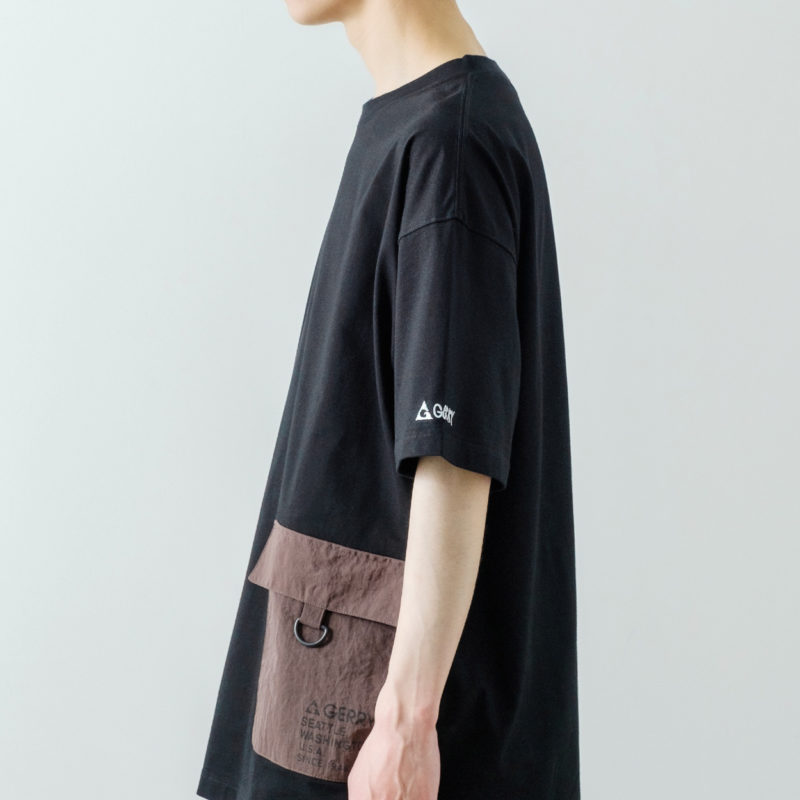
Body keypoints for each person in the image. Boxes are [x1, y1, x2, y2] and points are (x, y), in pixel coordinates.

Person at [197, 2, 580, 799]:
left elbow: (453, 451)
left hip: (384, 727)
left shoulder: (451, 144)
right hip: (328, 676)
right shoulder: (414, 123)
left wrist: (407, 723)